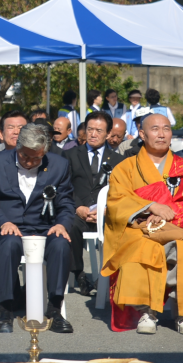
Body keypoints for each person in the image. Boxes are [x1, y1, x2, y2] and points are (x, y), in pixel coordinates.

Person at [104, 113, 183, 335]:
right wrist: (150, 207)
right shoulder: (125, 168)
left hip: (178, 227)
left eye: (166, 129)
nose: (162, 134)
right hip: (140, 228)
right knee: (141, 247)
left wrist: (169, 213)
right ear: (142, 134)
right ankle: (147, 311)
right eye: (155, 129)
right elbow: (117, 200)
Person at [0, 124, 75, 334]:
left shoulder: (59, 165)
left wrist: (61, 224)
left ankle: (55, 309)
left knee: (60, 244)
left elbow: (66, 203)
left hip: (44, 226)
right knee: (9, 243)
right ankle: (6, 308)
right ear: (17, 147)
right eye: (24, 156)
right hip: (7, 225)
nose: (29, 162)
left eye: (36, 158)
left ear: (45, 153)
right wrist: (3, 221)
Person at [64, 111, 124, 297]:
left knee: (123, 230)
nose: (93, 134)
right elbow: (64, 185)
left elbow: (120, 191)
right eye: (90, 129)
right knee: (70, 226)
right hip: (78, 210)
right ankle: (79, 274)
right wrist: (78, 207)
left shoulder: (118, 160)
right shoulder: (70, 155)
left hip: (105, 214)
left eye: (99, 130)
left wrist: (104, 209)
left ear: (107, 134)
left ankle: (108, 277)